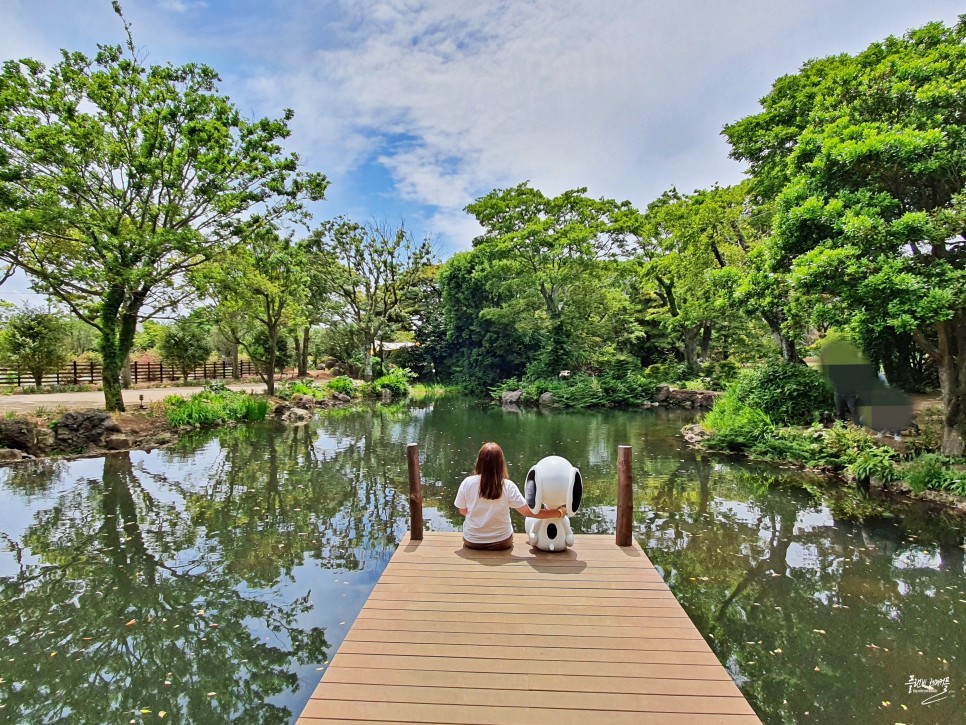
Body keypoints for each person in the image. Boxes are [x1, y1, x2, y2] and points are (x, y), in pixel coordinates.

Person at [455, 442, 565, 550]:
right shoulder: (508, 486)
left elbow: (462, 511)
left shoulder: (467, 483)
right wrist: (558, 513)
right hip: (501, 542)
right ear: (501, 463)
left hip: (472, 542)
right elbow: (528, 512)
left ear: (479, 462)